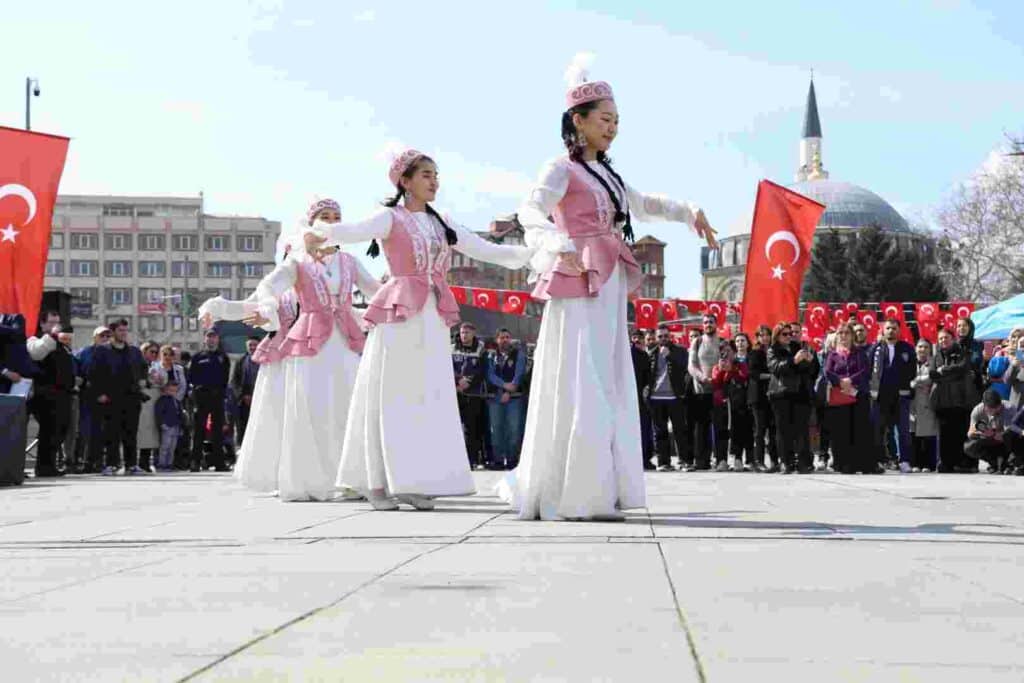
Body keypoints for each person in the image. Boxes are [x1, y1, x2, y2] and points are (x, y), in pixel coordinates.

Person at [502, 54, 716, 521]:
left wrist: (687, 210)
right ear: (577, 121)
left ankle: (600, 488)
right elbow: (531, 208)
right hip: (576, 274)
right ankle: (574, 491)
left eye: (617, 120)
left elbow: (642, 203)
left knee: (607, 373)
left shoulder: (609, 174)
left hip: (609, 277)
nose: (613, 127)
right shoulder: (562, 168)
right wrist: (555, 240)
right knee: (582, 374)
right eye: (604, 119)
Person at [311, 151, 533, 511]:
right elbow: (350, 231)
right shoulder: (390, 217)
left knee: (425, 394)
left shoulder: (440, 222)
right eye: (426, 174)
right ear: (405, 180)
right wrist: (315, 232)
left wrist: (535, 253)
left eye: (436, 175)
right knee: (393, 393)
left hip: (431, 315)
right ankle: (377, 482)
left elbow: (485, 250)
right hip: (400, 315)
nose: (434, 181)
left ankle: (411, 479)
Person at [204, 198, 382, 500]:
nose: (331, 222)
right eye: (324, 216)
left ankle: (352, 477)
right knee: (312, 409)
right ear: (310, 224)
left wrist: (408, 292)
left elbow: (376, 291)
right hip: (308, 344)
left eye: (337, 217)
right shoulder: (297, 264)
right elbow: (266, 290)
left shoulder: (349, 263)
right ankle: (312, 480)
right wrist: (241, 307)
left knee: (349, 405)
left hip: (343, 341)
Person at [87, 319, 147, 475]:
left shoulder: (134, 351)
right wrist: (99, 394)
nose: (124, 333)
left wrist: (143, 380)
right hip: (111, 398)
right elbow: (94, 374)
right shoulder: (102, 351)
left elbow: (143, 369)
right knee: (111, 433)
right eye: (120, 330)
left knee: (131, 433)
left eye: (125, 330)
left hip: (132, 397)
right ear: (113, 332)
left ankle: (131, 464)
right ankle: (112, 464)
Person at [26, 311, 75, 477]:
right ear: (42, 324)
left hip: (63, 394)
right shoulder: (35, 340)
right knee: (49, 431)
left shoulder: (61, 343)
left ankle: (50, 464)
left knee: (61, 429)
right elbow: (37, 353)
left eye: (58, 322)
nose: (56, 326)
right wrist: (53, 335)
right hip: (46, 394)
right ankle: (44, 467)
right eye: (52, 322)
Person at [768, 323, 818, 474]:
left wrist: (810, 361)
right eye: (785, 334)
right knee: (784, 430)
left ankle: (803, 463)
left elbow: (812, 371)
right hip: (781, 393)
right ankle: (786, 462)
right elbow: (775, 368)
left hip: (801, 393)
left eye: (791, 334)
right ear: (777, 336)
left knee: (802, 429)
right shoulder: (772, 350)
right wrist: (793, 361)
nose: (789, 336)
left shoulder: (799, 347)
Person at [824, 322, 873, 474]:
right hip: (840, 397)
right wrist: (840, 382)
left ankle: (860, 463)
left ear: (852, 336)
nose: (843, 336)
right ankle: (843, 464)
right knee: (841, 431)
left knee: (859, 430)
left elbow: (865, 370)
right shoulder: (832, 354)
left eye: (847, 333)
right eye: (840, 333)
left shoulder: (859, 353)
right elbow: (827, 372)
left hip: (858, 396)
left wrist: (851, 381)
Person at [869, 319, 916, 473]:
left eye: (894, 328)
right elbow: (869, 371)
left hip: (900, 395)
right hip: (880, 396)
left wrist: (907, 388)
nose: (891, 331)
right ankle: (879, 460)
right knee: (878, 429)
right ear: (883, 330)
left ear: (899, 330)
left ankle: (905, 460)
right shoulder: (875, 349)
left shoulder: (907, 349)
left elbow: (912, 371)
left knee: (902, 430)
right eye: (888, 328)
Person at [930, 327, 978, 473]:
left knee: (961, 433)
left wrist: (944, 371)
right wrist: (949, 374)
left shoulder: (961, 353)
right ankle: (946, 463)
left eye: (946, 338)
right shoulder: (936, 356)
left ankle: (966, 463)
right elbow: (933, 374)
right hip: (943, 402)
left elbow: (963, 368)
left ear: (953, 339)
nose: (943, 341)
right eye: (941, 339)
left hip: (961, 401)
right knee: (945, 435)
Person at [645, 324, 690, 472]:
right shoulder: (651, 353)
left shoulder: (680, 351)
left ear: (670, 336)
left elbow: (684, 366)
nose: (663, 339)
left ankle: (684, 461)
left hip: (675, 397)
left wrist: (669, 355)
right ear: (656, 338)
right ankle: (664, 462)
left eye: (665, 336)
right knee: (660, 432)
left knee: (680, 430)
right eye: (660, 336)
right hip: (656, 397)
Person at [186, 328, 230, 472]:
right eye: (209, 337)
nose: (211, 339)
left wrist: (222, 395)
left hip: (217, 397)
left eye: (214, 337)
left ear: (218, 339)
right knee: (199, 431)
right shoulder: (198, 357)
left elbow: (225, 378)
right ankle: (195, 462)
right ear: (205, 339)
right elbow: (191, 377)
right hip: (201, 397)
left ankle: (219, 463)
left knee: (218, 431)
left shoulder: (223, 357)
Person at [486, 328, 527, 470]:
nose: (505, 340)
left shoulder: (519, 354)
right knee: (496, 429)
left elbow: (519, 373)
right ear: (497, 339)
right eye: (502, 337)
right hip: (495, 398)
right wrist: (503, 386)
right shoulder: (491, 355)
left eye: (507, 337)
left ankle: (512, 460)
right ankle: (498, 460)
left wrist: (509, 391)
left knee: (514, 429)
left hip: (514, 398)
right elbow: (490, 375)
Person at [72, 326, 111, 472]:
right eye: (102, 336)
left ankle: (99, 462)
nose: (105, 339)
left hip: (108, 399)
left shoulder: (112, 353)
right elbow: (80, 373)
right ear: (94, 337)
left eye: (108, 336)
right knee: (85, 431)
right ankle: (82, 462)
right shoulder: (84, 353)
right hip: (87, 398)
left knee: (102, 432)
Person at [452, 322, 489, 469]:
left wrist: (469, 383)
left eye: (467, 332)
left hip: (474, 394)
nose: (464, 335)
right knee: (454, 427)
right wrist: (458, 382)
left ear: (473, 333)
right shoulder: (451, 347)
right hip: (455, 392)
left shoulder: (481, 348)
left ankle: (472, 460)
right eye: (462, 332)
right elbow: (446, 366)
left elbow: (482, 370)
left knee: (472, 428)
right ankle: (455, 459)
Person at [687, 315, 721, 471]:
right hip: (700, 389)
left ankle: (721, 460)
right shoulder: (697, 341)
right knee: (701, 427)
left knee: (719, 426)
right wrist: (703, 378)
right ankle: (701, 461)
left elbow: (727, 362)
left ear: (716, 324)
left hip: (719, 390)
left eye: (711, 322)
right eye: (706, 322)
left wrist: (716, 378)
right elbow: (691, 366)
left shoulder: (722, 342)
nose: (708, 325)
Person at [711, 340, 749, 471]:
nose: (726, 354)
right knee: (721, 431)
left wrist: (732, 368)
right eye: (723, 352)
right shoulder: (717, 367)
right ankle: (721, 459)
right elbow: (715, 383)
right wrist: (722, 370)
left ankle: (738, 458)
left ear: (734, 352)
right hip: (721, 403)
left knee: (738, 430)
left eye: (729, 351)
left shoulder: (740, 365)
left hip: (737, 403)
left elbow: (744, 377)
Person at [964, 389, 1022, 473]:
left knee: (1011, 436)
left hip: (1007, 443)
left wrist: (995, 434)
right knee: (969, 446)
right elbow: (970, 433)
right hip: (990, 441)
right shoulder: (977, 411)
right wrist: (982, 434)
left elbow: (1011, 432)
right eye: (991, 409)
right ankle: (995, 463)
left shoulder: (1009, 408)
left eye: (997, 408)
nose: (994, 411)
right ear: (984, 405)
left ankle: (1014, 462)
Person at [746, 324, 775, 472]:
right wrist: (771, 376)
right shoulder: (754, 353)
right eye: (761, 335)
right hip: (758, 396)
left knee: (773, 429)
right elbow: (753, 374)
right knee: (760, 430)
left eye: (767, 334)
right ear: (757, 337)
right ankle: (759, 461)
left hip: (773, 395)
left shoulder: (774, 351)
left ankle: (774, 461)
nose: (765, 338)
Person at [909, 339, 938, 472]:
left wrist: (915, 382)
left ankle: (929, 464)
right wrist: (918, 382)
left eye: (926, 347)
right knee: (913, 434)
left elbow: (931, 378)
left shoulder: (933, 363)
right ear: (915, 348)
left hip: (928, 402)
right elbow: (906, 379)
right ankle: (915, 463)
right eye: (920, 347)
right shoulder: (910, 362)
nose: (922, 349)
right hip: (913, 403)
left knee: (928, 435)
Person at [136, 341, 162, 472]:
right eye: (151, 351)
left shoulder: (156, 366)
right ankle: (138, 462)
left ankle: (145, 462)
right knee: (141, 433)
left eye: (156, 352)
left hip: (152, 402)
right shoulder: (138, 364)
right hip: (142, 401)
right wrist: (148, 381)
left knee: (150, 433)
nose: (154, 354)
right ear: (144, 351)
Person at [231, 336, 261, 448]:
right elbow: (234, 381)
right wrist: (243, 396)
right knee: (243, 426)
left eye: (255, 345)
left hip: (261, 399)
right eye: (250, 345)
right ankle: (242, 448)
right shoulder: (241, 361)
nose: (252, 347)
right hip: (244, 401)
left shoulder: (265, 360)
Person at [629, 329, 654, 470]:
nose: (637, 340)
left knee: (644, 429)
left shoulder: (644, 355)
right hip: (630, 399)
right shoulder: (628, 354)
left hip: (642, 399)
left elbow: (648, 377)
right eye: (634, 338)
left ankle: (645, 459)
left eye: (639, 338)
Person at [730, 333, 754, 471]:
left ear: (748, 343)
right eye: (737, 341)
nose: (740, 343)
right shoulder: (731, 359)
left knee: (749, 428)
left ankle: (750, 459)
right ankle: (737, 458)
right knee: (736, 428)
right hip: (736, 396)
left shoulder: (752, 357)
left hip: (750, 394)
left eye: (743, 340)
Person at [153, 379, 182, 471]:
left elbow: (179, 413)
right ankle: (162, 463)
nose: (172, 392)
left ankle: (169, 463)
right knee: (165, 446)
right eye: (170, 390)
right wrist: (162, 423)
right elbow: (159, 413)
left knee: (172, 446)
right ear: (165, 390)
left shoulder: (177, 401)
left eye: (174, 391)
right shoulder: (162, 400)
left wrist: (181, 426)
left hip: (175, 425)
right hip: (167, 425)